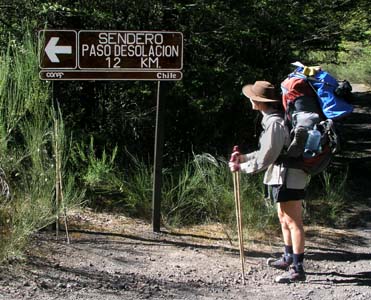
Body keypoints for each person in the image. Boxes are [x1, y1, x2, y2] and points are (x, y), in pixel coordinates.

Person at [229, 80, 308, 283]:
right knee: (283, 218)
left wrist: (243, 168)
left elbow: (267, 158)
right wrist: (244, 158)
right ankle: (288, 257)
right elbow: (266, 152)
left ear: (259, 101)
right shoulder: (272, 120)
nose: (250, 100)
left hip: (288, 176)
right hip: (283, 175)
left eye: (252, 98)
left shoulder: (274, 123)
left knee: (293, 221)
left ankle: (298, 268)